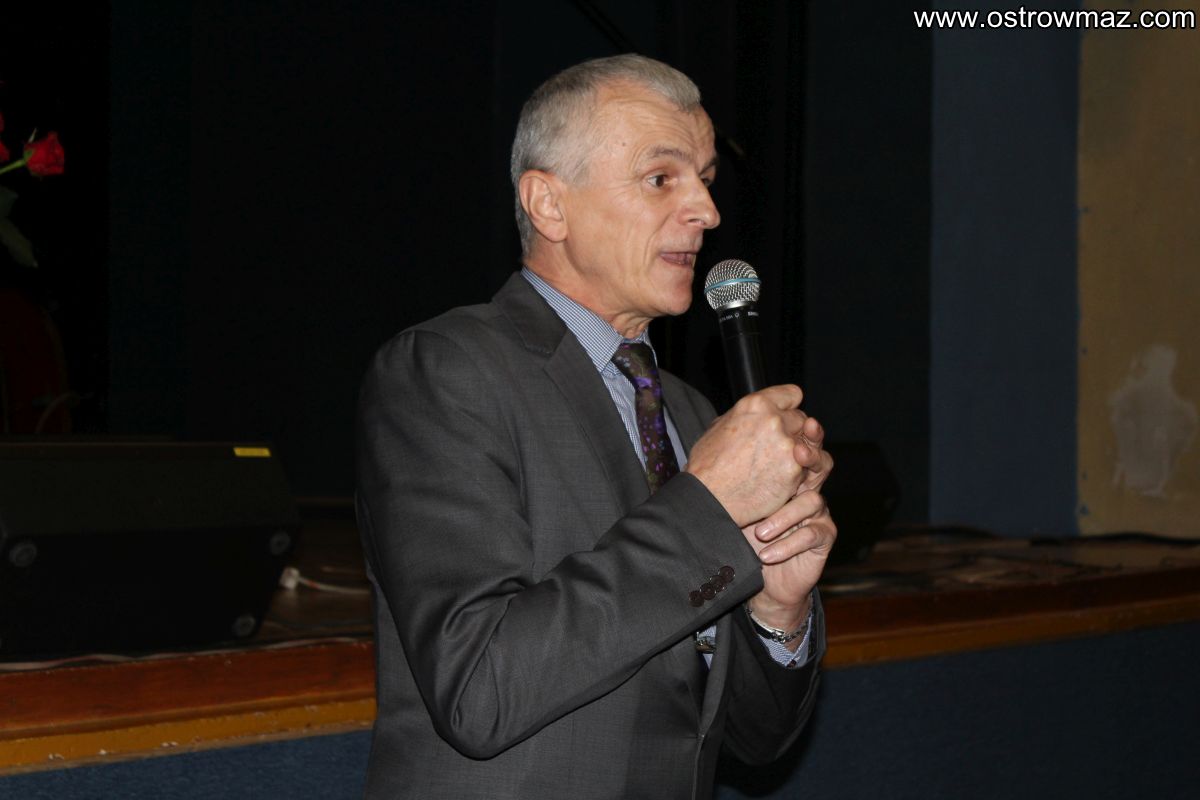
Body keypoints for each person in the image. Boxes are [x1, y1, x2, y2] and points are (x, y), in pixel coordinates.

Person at [355, 53, 836, 800]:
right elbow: (479, 689)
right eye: (661, 178)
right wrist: (708, 509)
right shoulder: (445, 371)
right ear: (549, 204)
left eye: (706, 179)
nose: (707, 212)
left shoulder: (692, 414)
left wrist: (778, 610)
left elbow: (753, 739)